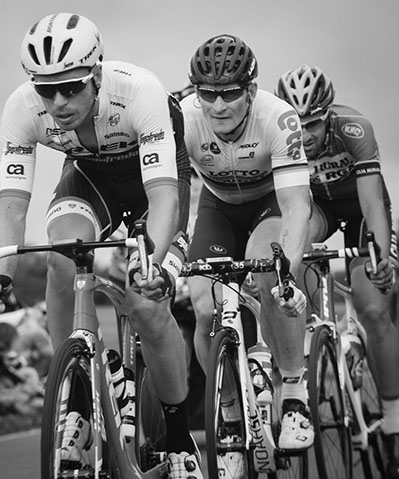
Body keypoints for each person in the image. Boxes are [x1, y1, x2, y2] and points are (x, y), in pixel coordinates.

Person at [0, 13, 202, 478]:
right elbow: (12, 207)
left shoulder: (139, 91)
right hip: (91, 178)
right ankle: (76, 393)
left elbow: (163, 196)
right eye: (46, 90)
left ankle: (179, 438)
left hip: (154, 182)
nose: (58, 102)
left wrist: (153, 265)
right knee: (62, 256)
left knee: (147, 301)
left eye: (71, 87)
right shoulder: (22, 108)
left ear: (96, 74)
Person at [181, 34, 324, 457]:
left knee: (269, 272)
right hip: (218, 207)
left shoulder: (278, 118)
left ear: (250, 90)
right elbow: (169, 190)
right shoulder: (183, 117)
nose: (217, 105)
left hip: (269, 204)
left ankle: (294, 393)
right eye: (207, 93)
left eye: (229, 93)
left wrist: (287, 274)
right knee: (203, 306)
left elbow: (296, 206)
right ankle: (227, 411)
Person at [276, 64, 399, 478]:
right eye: (297, 124)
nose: (305, 134)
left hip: (361, 210)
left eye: (313, 123)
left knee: (374, 310)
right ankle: (314, 333)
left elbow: (372, 204)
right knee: (295, 248)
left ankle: (394, 423)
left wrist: (381, 258)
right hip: (318, 211)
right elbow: (292, 214)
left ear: (328, 115)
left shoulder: (354, 129)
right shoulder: (280, 138)